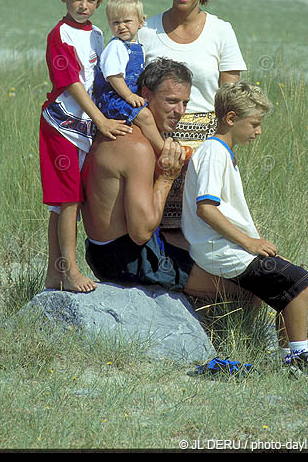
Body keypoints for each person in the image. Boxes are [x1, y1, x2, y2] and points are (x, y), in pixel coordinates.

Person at [82, 58, 250, 301]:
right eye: (171, 101)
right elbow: (140, 233)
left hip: (103, 251)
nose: (180, 111)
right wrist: (166, 178)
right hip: (127, 259)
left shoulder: (119, 129)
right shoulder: (137, 147)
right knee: (245, 289)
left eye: (185, 103)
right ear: (145, 95)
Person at [181, 81, 308, 372]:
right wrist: (249, 243)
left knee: (287, 282)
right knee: (297, 281)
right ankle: (298, 360)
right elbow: (206, 208)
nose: (259, 131)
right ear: (230, 119)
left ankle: (290, 359)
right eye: (254, 124)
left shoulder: (222, 152)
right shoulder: (213, 152)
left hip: (228, 248)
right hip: (221, 251)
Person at [138, 0, 247, 231]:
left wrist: (219, 150)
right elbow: (134, 93)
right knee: (155, 224)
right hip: (155, 139)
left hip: (206, 146)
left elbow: (229, 101)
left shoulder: (221, 31)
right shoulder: (146, 31)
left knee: (205, 225)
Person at [39, 0, 132, 293]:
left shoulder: (95, 35)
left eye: (91, 0)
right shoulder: (59, 35)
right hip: (63, 124)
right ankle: (71, 271)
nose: (83, 5)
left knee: (63, 203)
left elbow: (99, 80)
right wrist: (101, 120)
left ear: (99, 1)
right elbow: (73, 84)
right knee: (68, 201)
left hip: (85, 126)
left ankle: (54, 273)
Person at [93, 0, 164, 155]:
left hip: (127, 96)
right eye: (116, 23)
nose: (121, 26)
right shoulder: (116, 47)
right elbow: (113, 76)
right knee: (145, 116)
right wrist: (129, 96)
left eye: (127, 21)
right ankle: (161, 149)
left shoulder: (138, 46)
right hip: (113, 99)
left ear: (141, 22)